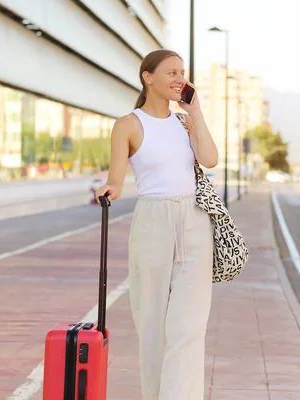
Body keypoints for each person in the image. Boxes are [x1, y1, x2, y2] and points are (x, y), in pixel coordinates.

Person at [94, 49, 219, 399]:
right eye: (171, 72)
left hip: (194, 222)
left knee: (188, 326)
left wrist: (195, 111)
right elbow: (116, 177)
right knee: (152, 327)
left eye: (183, 72)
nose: (180, 78)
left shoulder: (184, 122)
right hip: (152, 222)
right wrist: (110, 189)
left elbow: (209, 159)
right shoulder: (129, 124)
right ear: (148, 77)